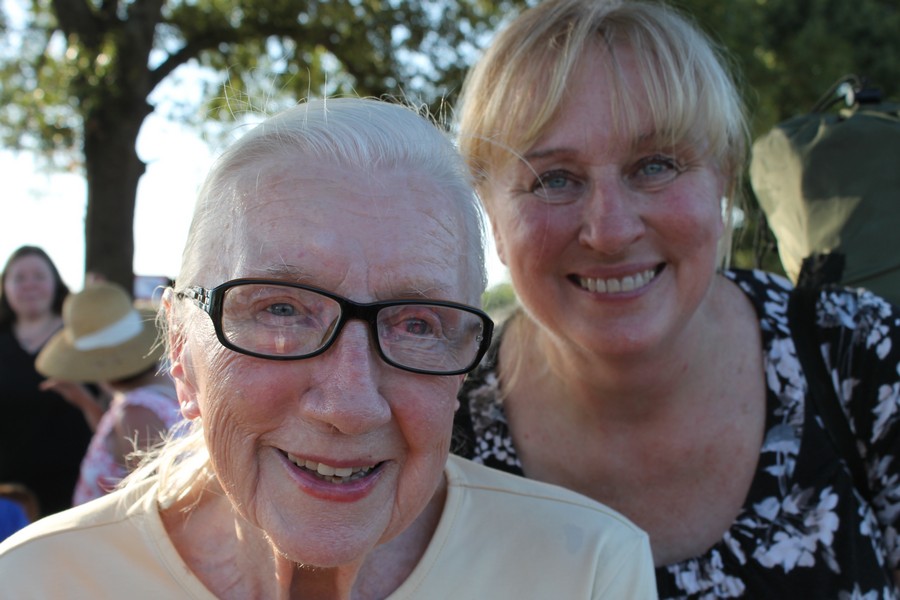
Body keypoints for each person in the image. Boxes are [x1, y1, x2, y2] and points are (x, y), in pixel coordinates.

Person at [0, 98, 656, 599]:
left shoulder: (585, 570)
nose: (349, 405)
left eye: (418, 323)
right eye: (280, 309)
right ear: (182, 357)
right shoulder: (38, 581)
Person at [450, 0, 900, 597]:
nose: (610, 231)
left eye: (655, 165)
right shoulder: (436, 426)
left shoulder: (858, 356)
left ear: (724, 180)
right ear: (492, 218)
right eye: (553, 179)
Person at [35, 281, 181, 505]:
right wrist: (85, 402)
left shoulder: (136, 412)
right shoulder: (161, 386)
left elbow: (152, 501)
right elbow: (117, 448)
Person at [0, 245, 94, 517]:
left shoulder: (80, 337)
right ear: (5, 287)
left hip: (72, 492)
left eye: (39, 276)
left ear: (55, 282)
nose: (30, 284)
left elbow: (110, 407)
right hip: (8, 495)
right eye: (19, 278)